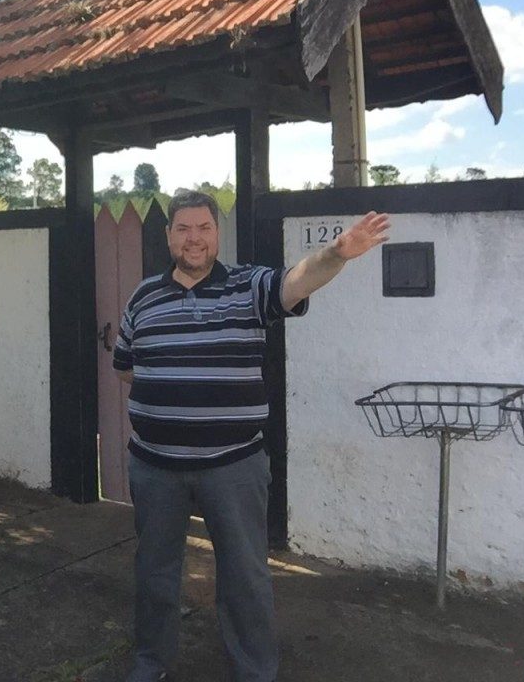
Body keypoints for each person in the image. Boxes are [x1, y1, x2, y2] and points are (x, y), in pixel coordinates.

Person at [114, 189, 389, 682]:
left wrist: (336, 254)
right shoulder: (143, 297)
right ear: (168, 236)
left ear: (217, 234)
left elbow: (295, 282)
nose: (193, 238)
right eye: (183, 229)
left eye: (203, 228)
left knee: (245, 577)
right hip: (154, 466)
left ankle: (254, 672)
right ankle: (151, 663)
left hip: (233, 466)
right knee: (155, 573)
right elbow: (128, 368)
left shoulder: (249, 285)